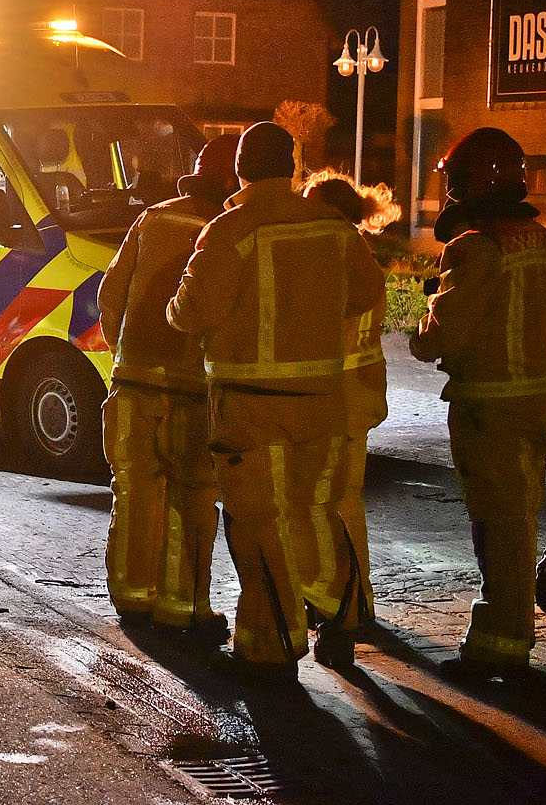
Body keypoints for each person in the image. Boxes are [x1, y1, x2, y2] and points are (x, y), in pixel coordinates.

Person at [166, 122, 384, 681]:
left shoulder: (229, 230)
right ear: (291, 168)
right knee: (313, 514)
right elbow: (365, 294)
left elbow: (191, 313)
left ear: (240, 170)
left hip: (249, 405)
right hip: (323, 401)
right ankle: (343, 606)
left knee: (258, 523)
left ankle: (271, 645)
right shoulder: (334, 227)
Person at [409, 128, 546, 681]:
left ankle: (498, 645)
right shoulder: (541, 239)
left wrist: (422, 324)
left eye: (454, 180)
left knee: (497, 525)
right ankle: (508, 637)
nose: (450, 191)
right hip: (536, 398)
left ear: (475, 181)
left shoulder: (474, 244)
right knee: (517, 520)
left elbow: (444, 335)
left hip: (487, 404)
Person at [97, 135, 237, 643]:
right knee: (193, 499)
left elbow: (109, 294)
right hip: (192, 393)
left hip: (132, 384)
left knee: (133, 491)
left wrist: (126, 356)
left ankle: (133, 598)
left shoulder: (153, 218)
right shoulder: (231, 232)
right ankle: (183, 608)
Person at [297, 171, 400, 665]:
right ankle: (353, 604)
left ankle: (340, 605)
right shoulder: (356, 251)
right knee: (345, 502)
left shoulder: (328, 251)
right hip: (355, 397)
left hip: (333, 397)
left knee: (324, 504)